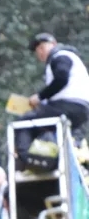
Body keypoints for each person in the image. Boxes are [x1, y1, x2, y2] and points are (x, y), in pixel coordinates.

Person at [16, 34, 89, 169]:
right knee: (64, 138)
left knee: (24, 123)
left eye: (42, 47)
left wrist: (40, 97)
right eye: (37, 50)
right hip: (80, 109)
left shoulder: (60, 56)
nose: (40, 52)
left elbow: (61, 78)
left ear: (54, 44)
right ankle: (59, 163)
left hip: (68, 105)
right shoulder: (70, 60)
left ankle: (27, 162)